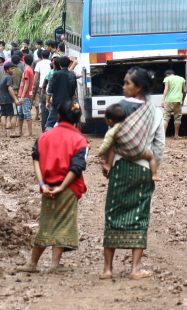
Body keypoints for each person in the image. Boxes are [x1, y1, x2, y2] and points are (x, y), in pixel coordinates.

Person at [100, 67, 165, 281]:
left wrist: (107, 165)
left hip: (119, 167)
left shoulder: (117, 108)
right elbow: (159, 146)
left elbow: (111, 138)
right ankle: (135, 269)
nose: (123, 86)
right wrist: (153, 166)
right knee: (139, 214)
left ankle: (107, 269)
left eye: (127, 83)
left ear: (139, 87)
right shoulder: (155, 112)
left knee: (113, 213)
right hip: (143, 169)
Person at [17, 101, 89, 274]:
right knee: (63, 224)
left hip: (47, 185)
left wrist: (42, 183)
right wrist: (62, 186)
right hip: (68, 187)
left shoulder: (44, 136)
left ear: (58, 116)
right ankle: (55, 264)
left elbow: (36, 158)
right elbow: (77, 168)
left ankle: (33, 263)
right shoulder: (80, 140)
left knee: (46, 223)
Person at [100, 103, 160, 181]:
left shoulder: (113, 130)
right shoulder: (133, 124)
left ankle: (108, 165)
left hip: (126, 151)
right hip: (140, 149)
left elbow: (107, 144)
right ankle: (154, 174)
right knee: (151, 157)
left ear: (110, 121)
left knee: (113, 149)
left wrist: (100, 153)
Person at [45, 56, 77, 130]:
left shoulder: (55, 75)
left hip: (57, 102)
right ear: (69, 64)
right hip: (68, 103)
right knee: (68, 121)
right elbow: (74, 90)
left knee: (50, 122)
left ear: (59, 64)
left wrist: (47, 101)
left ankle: (48, 137)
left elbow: (50, 90)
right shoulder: (72, 75)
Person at [161, 69, 186, 139]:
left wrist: (163, 99)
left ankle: (163, 136)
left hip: (169, 100)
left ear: (167, 75)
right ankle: (176, 135)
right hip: (178, 100)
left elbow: (166, 89)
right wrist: (183, 100)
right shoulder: (182, 79)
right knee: (177, 118)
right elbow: (185, 91)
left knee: (166, 118)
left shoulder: (167, 79)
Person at [16, 53, 36, 137]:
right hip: (23, 94)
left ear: (24, 61)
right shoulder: (29, 69)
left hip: (25, 95)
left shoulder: (27, 70)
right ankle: (20, 131)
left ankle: (29, 131)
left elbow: (27, 84)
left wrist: (23, 96)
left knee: (26, 112)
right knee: (20, 112)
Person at [0, 63, 19, 134]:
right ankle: (13, 131)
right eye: (11, 69)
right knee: (14, 114)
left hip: (2, 99)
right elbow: (10, 88)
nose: (13, 70)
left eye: (13, 68)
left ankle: (3, 132)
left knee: (4, 115)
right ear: (7, 70)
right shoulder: (9, 77)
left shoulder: (3, 77)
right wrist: (15, 99)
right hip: (9, 99)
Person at [33, 49, 52, 122]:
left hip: (42, 85)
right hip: (50, 85)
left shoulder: (39, 63)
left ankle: (42, 117)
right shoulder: (51, 63)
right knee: (50, 101)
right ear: (49, 55)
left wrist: (34, 84)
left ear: (41, 56)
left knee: (42, 102)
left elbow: (36, 75)